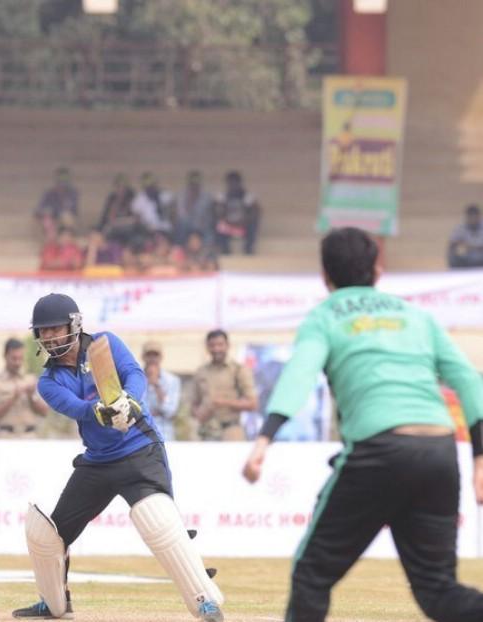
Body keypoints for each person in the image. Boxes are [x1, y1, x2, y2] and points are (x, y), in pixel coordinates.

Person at [242, 227, 483, 622]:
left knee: (312, 576)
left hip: (380, 449)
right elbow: (470, 381)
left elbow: (299, 376)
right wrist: (479, 457)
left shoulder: (324, 316)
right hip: (439, 450)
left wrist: (264, 440)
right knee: (438, 592)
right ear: (378, 268)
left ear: (325, 275)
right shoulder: (416, 315)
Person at [12, 293, 223, 621]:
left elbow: (134, 374)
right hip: (98, 462)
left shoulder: (103, 344)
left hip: (140, 449)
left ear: (74, 324)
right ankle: (53, 603)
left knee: (158, 520)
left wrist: (130, 400)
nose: (50, 336)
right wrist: (101, 411)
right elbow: (76, 407)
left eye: (56, 328)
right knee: (50, 536)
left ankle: (204, 601)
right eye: (45, 331)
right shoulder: (49, 381)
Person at [187, 329, 257, 441]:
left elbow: (253, 404)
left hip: (231, 432)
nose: (216, 349)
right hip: (206, 433)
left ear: (228, 345)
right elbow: (193, 405)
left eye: (220, 345)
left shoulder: (238, 370)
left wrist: (224, 403)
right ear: (207, 347)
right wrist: (199, 413)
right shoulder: (201, 372)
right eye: (212, 345)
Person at [0, 338, 49, 437]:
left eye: (20, 358)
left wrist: (32, 397)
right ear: (5, 356)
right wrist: (12, 399)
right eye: (14, 358)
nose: (17, 363)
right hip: (5, 437)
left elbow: (44, 412)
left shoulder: (31, 380)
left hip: (29, 437)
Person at [142, 341, 181, 442]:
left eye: (155, 355)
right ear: (143, 357)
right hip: (141, 435)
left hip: (165, 435)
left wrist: (156, 385)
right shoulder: (136, 378)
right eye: (149, 355)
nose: (152, 359)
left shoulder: (172, 380)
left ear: (161, 357)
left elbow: (170, 411)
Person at [214, 171, 261, 255]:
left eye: (235, 183)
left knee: (254, 223)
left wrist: (245, 221)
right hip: (228, 226)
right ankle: (225, 249)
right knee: (217, 224)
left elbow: (255, 211)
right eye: (230, 183)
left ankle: (248, 249)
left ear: (240, 183)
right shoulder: (223, 196)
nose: (233, 186)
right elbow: (216, 211)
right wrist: (225, 219)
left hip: (243, 226)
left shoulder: (247, 196)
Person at [34, 167, 80, 241]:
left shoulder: (73, 193)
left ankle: (67, 240)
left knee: (67, 217)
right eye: (60, 183)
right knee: (47, 220)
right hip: (52, 218)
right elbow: (38, 209)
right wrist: (46, 212)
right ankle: (51, 243)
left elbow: (73, 209)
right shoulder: (49, 193)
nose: (62, 186)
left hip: (65, 219)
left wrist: (57, 210)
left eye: (64, 183)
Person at [174, 170, 215, 245]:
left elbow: (208, 215)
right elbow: (181, 214)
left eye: (196, 184)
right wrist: (190, 200)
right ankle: (180, 247)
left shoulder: (206, 196)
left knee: (209, 232)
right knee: (181, 224)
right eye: (192, 184)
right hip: (186, 224)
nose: (194, 187)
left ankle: (207, 249)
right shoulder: (181, 195)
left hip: (202, 225)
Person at [447, 204, 483, 269]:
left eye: (475, 216)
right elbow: (452, 244)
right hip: (467, 259)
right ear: (467, 217)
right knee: (452, 255)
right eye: (471, 217)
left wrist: (470, 246)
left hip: (481, 258)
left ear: (479, 217)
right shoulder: (461, 228)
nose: (473, 219)